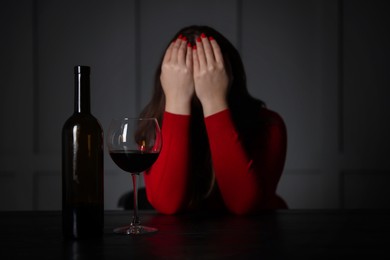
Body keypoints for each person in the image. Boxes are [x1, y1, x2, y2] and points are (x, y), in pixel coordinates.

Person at [139, 25, 287, 215]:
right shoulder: (152, 127)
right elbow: (167, 204)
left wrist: (214, 101)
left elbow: (243, 204)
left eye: (209, 73)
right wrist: (176, 100)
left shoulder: (269, 125)